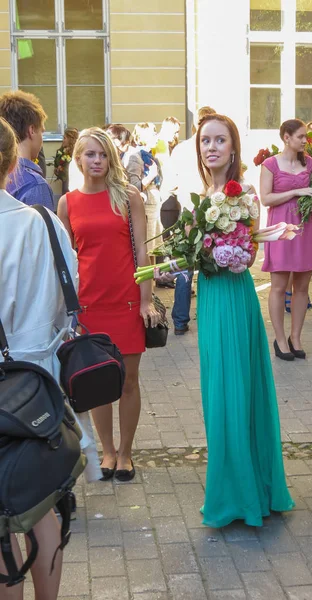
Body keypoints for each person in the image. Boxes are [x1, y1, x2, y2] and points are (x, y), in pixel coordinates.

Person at [195, 113, 294, 527]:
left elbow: (247, 257)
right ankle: (232, 485)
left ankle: (245, 494)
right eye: (205, 141)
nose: (212, 147)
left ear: (233, 148)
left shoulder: (245, 195)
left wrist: (215, 254)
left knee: (238, 390)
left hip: (234, 299)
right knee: (217, 395)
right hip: (210, 301)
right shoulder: (202, 196)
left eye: (220, 140)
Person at [0, 117, 77, 600]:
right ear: (13, 164)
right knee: (43, 506)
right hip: (38, 385)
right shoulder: (43, 223)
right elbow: (66, 299)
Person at [57, 127, 160, 482]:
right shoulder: (67, 203)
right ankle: (108, 452)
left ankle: (127, 453)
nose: (97, 160)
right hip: (89, 307)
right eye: (90, 154)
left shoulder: (128, 196)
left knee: (129, 381)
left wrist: (146, 300)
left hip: (126, 301)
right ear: (79, 159)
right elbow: (67, 260)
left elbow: (142, 251)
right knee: (98, 381)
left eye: (102, 154)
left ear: (111, 158)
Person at [260, 119, 312, 361]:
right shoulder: (270, 164)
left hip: (305, 229)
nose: (305, 141)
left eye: (305, 137)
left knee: (303, 287)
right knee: (278, 286)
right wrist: (296, 191)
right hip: (281, 230)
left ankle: (296, 337)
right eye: (301, 136)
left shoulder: (311, 164)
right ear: (286, 137)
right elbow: (266, 199)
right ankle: (280, 338)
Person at [161, 106, 217, 334]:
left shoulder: (182, 149)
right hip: (207, 212)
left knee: (184, 266)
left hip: (186, 210)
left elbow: (170, 182)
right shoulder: (210, 148)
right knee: (207, 266)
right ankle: (204, 316)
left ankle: (180, 321)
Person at [0, 90, 54, 210]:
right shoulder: (35, 185)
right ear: (32, 130)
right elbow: (40, 228)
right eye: (42, 132)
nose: (42, 139)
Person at [131, 122, 163, 254]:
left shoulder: (150, 156)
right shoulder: (135, 157)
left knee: (154, 248)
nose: (157, 137)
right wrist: (151, 176)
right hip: (145, 208)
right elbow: (133, 186)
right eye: (153, 134)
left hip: (154, 207)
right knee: (147, 248)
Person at [54, 127, 79, 195]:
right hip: (65, 181)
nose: (63, 140)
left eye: (65, 138)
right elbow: (56, 163)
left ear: (70, 139)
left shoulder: (78, 153)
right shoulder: (61, 151)